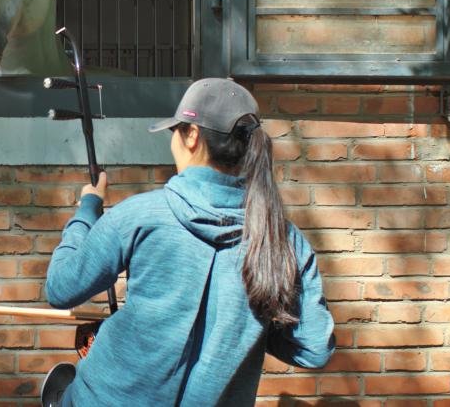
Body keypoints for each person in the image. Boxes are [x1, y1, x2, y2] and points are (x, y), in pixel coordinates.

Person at [44, 78, 336, 406]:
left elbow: (60, 287)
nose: (173, 142)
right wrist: (245, 325)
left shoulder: (141, 214)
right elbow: (313, 348)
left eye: (175, 131)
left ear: (193, 135)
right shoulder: (286, 241)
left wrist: (87, 209)